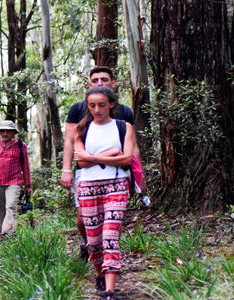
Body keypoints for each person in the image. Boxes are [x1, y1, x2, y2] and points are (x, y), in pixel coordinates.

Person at [60, 66, 144, 260]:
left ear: (112, 84)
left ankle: (107, 253)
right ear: (90, 84)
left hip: (117, 171)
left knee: (111, 215)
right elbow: (69, 141)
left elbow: (133, 147)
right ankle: (88, 243)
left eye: (104, 79)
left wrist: (139, 175)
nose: (100, 83)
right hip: (85, 170)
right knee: (83, 216)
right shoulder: (78, 110)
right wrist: (66, 170)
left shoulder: (124, 112)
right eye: (95, 80)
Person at [73, 86, 135, 300]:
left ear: (111, 104)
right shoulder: (81, 129)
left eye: (101, 105)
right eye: (92, 105)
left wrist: (94, 158)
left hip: (117, 184)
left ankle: (109, 290)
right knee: (93, 239)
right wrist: (111, 153)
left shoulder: (123, 127)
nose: (97, 109)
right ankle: (99, 274)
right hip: (88, 187)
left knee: (110, 235)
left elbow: (127, 158)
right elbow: (81, 162)